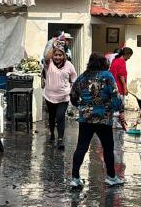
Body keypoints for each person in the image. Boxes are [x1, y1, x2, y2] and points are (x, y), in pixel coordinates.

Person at [67, 53, 126, 189]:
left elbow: (73, 95)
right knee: (108, 148)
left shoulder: (83, 77)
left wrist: (81, 106)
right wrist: (119, 110)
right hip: (104, 118)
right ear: (103, 63)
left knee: (81, 147)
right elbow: (115, 95)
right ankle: (111, 177)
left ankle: (75, 178)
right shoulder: (107, 76)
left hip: (85, 117)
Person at [43, 48, 77, 149]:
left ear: (64, 56)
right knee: (52, 117)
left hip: (64, 96)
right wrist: (54, 47)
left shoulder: (69, 65)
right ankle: (52, 133)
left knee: (60, 116)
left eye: (60, 55)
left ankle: (60, 139)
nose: (57, 57)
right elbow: (46, 57)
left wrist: (73, 89)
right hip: (49, 95)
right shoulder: (48, 64)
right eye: (56, 55)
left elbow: (74, 78)